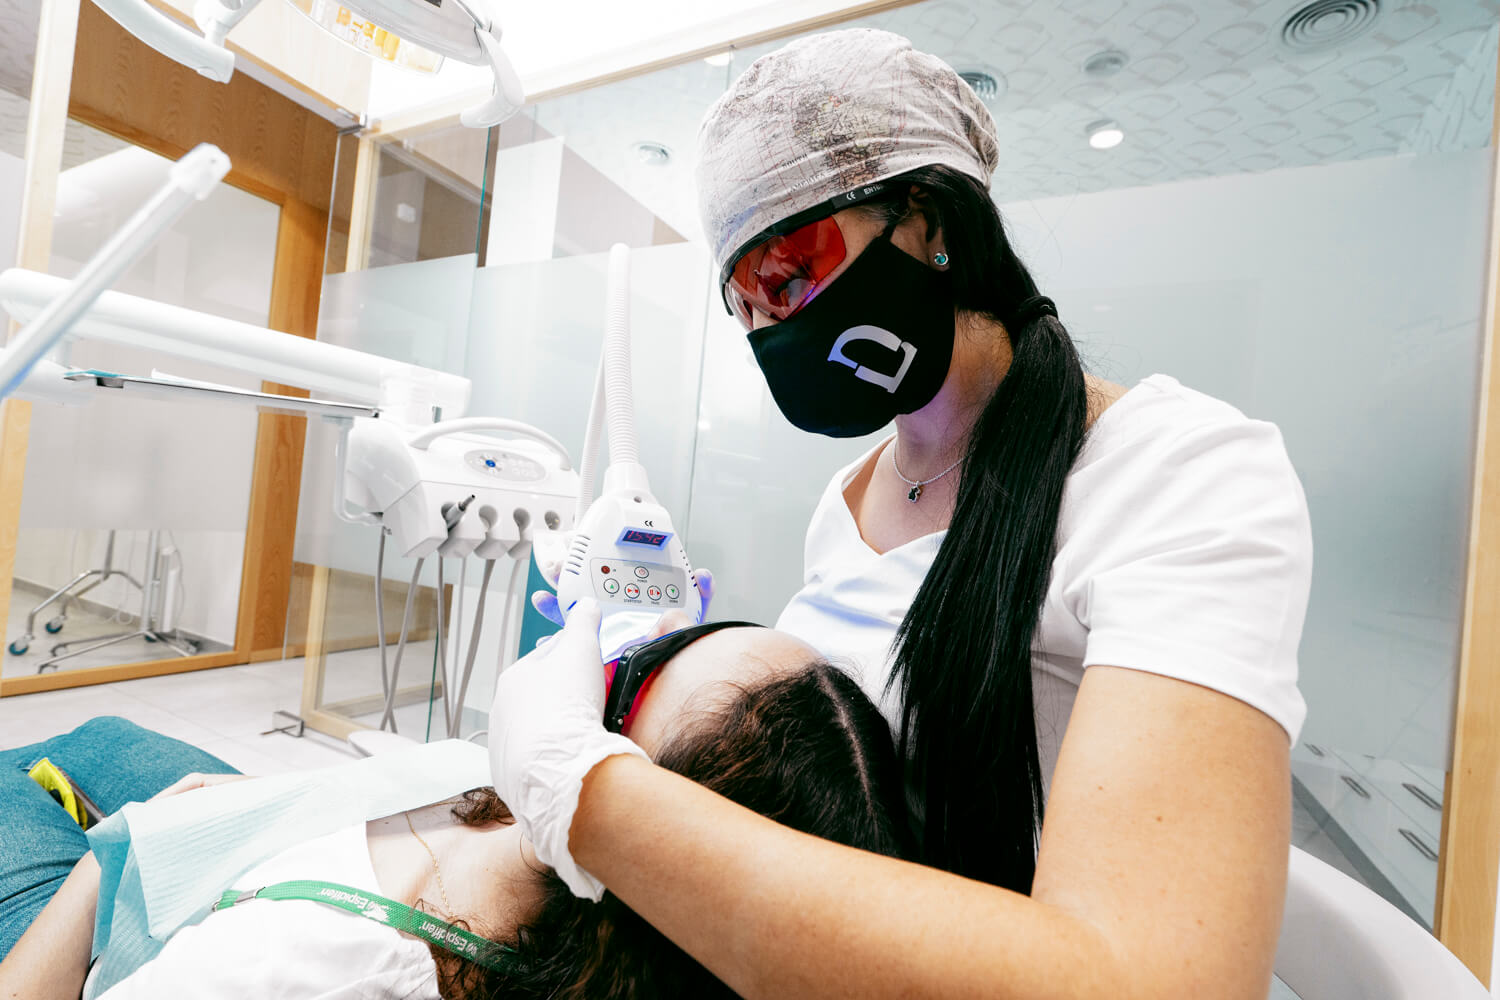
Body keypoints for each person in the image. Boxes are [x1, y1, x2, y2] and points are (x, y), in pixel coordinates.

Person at [496, 27, 1314, 1000]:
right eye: (744, 304)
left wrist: (585, 793)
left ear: (928, 220)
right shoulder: (844, 502)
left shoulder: (1179, 477)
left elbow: (1149, 981)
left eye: (785, 277)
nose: (771, 325)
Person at [0, 612, 910, 1000]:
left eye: (627, 683)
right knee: (107, 732)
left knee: (35, 767)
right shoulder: (523, 824)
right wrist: (217, 807)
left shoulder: (306, 968)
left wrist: (110, 860)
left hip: (130, 901)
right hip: (231, 831)